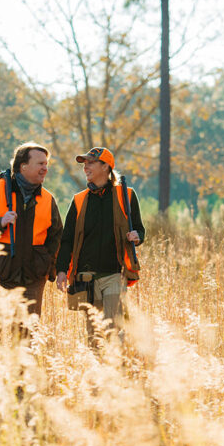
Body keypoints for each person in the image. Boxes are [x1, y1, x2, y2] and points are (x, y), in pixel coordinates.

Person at [55, 147, 144, 345]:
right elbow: (67, 239)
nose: (85, 167)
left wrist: (137, 236)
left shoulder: (127, 195)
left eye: (91, 162)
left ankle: (117, 370)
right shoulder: (79, 200)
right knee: (94, 334)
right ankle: (99, 373)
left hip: (114, 274)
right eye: (84, 163)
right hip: (86, 278)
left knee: (114, 330)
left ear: (106, 166)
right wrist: (61, 270)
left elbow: (139, 229)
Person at [0, 142, 63, 321]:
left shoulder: (48, 200)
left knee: (27, 334)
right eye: (40, 163)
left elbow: (57, 236)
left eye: (46, 164)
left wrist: (48, 266)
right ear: (23, 166)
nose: (45, 168)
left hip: (33, 277)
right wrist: (0, 222)